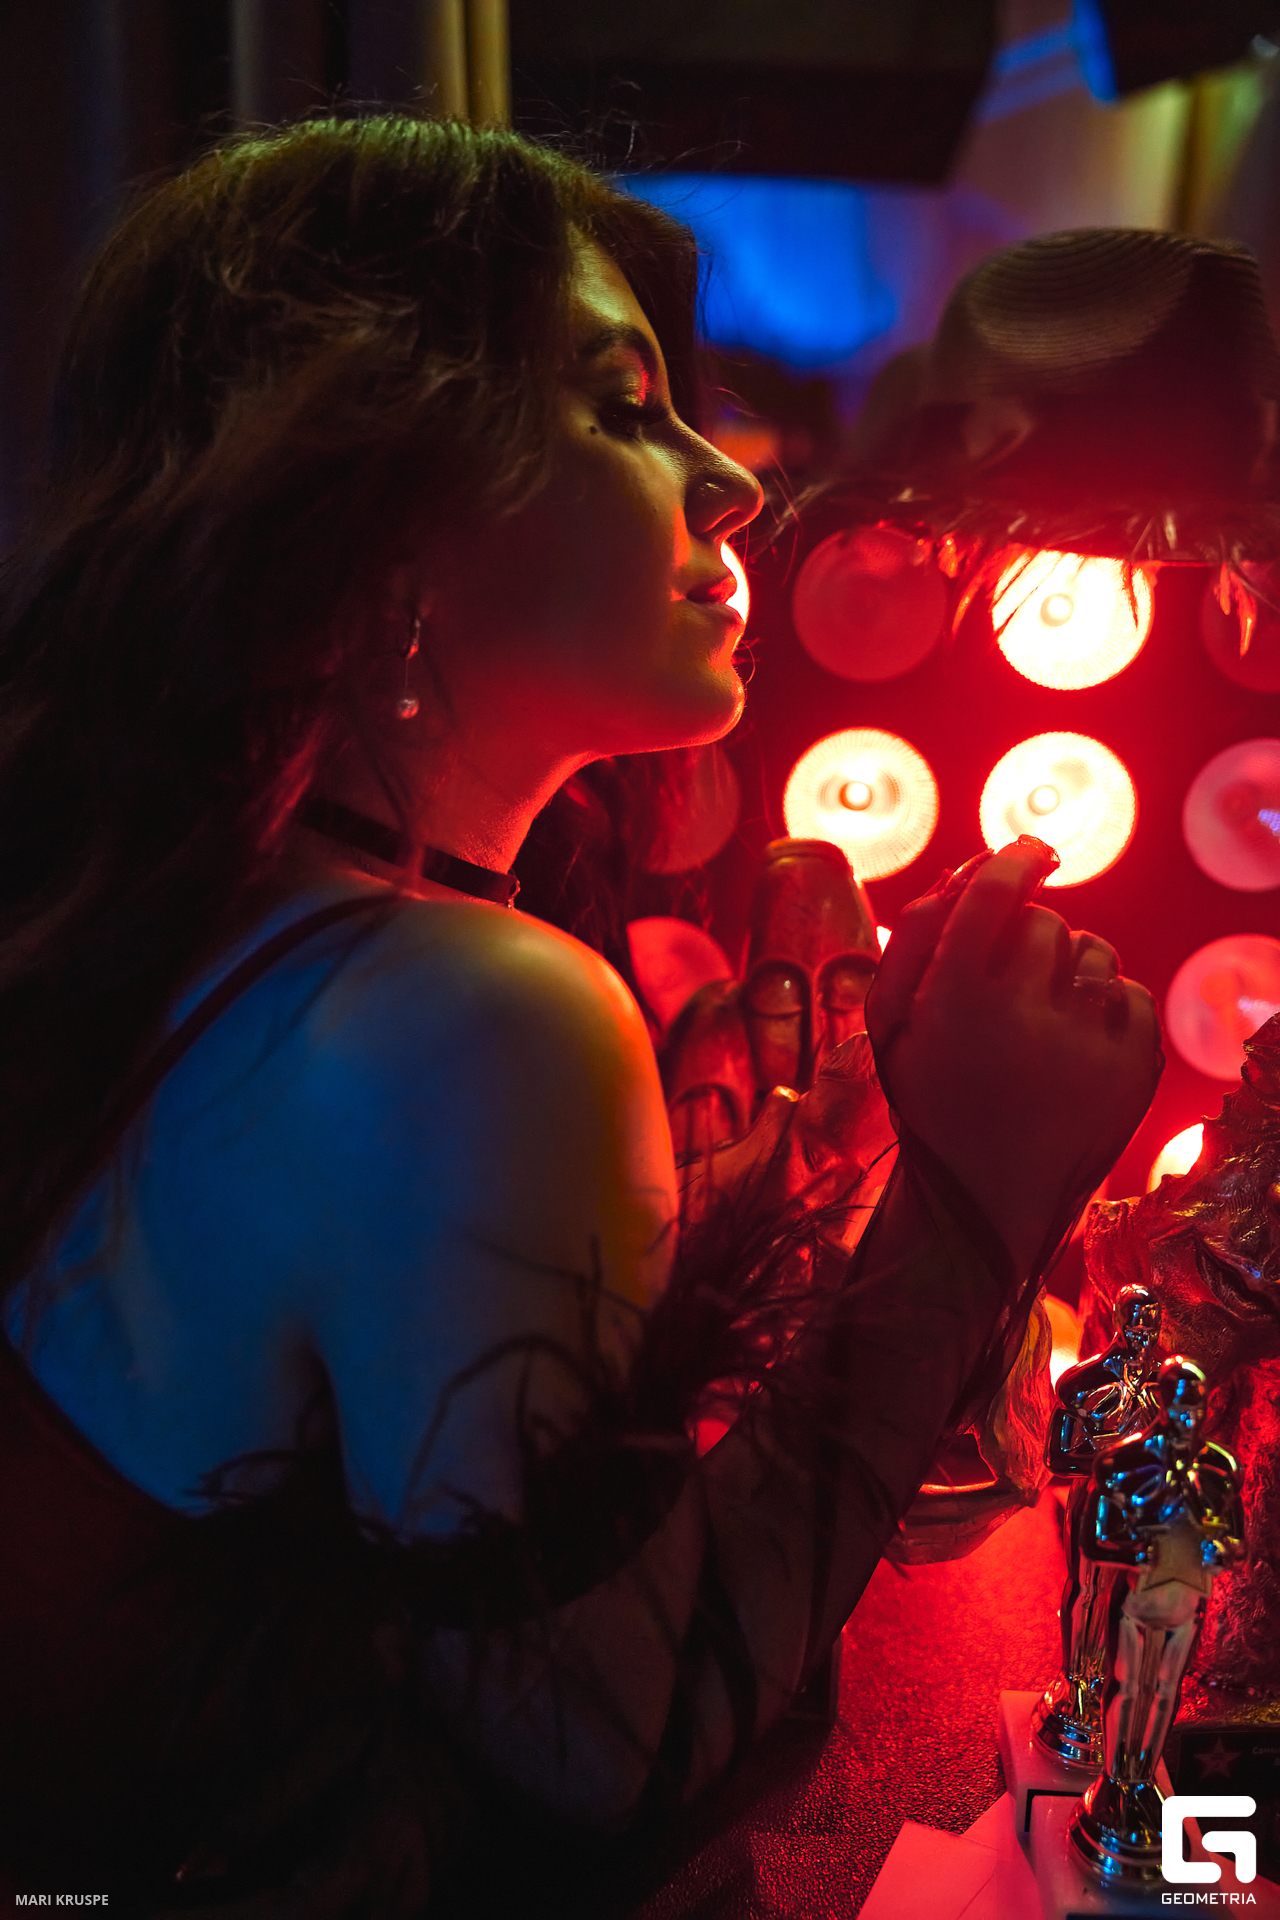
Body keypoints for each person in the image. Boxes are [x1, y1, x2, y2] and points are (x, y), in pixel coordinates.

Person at [0, 117, 1161, 1913]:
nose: (731, 484)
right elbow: (610, 1761)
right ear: (377, 507)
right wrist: (975, 1202)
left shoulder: (219, 923)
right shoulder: (472, 1008)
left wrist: (822, 1161)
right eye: (624, 408)